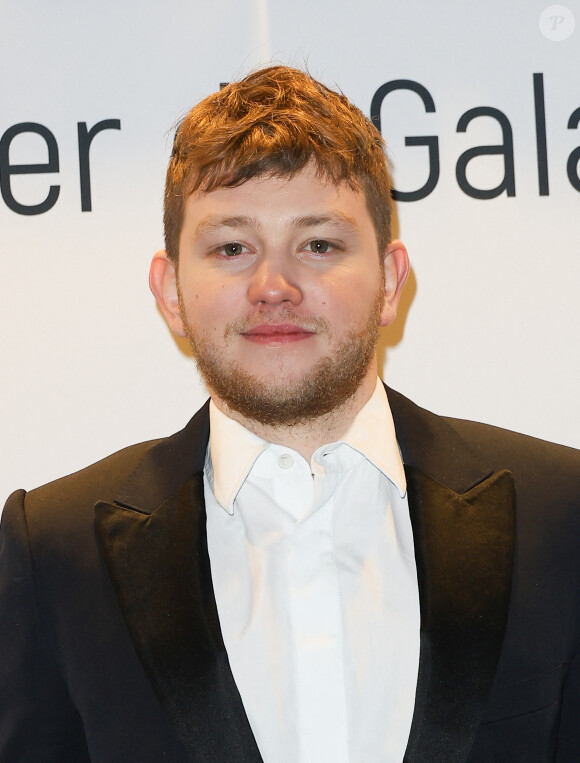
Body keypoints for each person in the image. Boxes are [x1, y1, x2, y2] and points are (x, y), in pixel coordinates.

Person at [0, 65, 579, 763]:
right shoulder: (54, 551)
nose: (274, 287)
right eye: (232, 248)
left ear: (390, 281)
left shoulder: (562, 513)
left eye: (319, 244)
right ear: (172, 291)